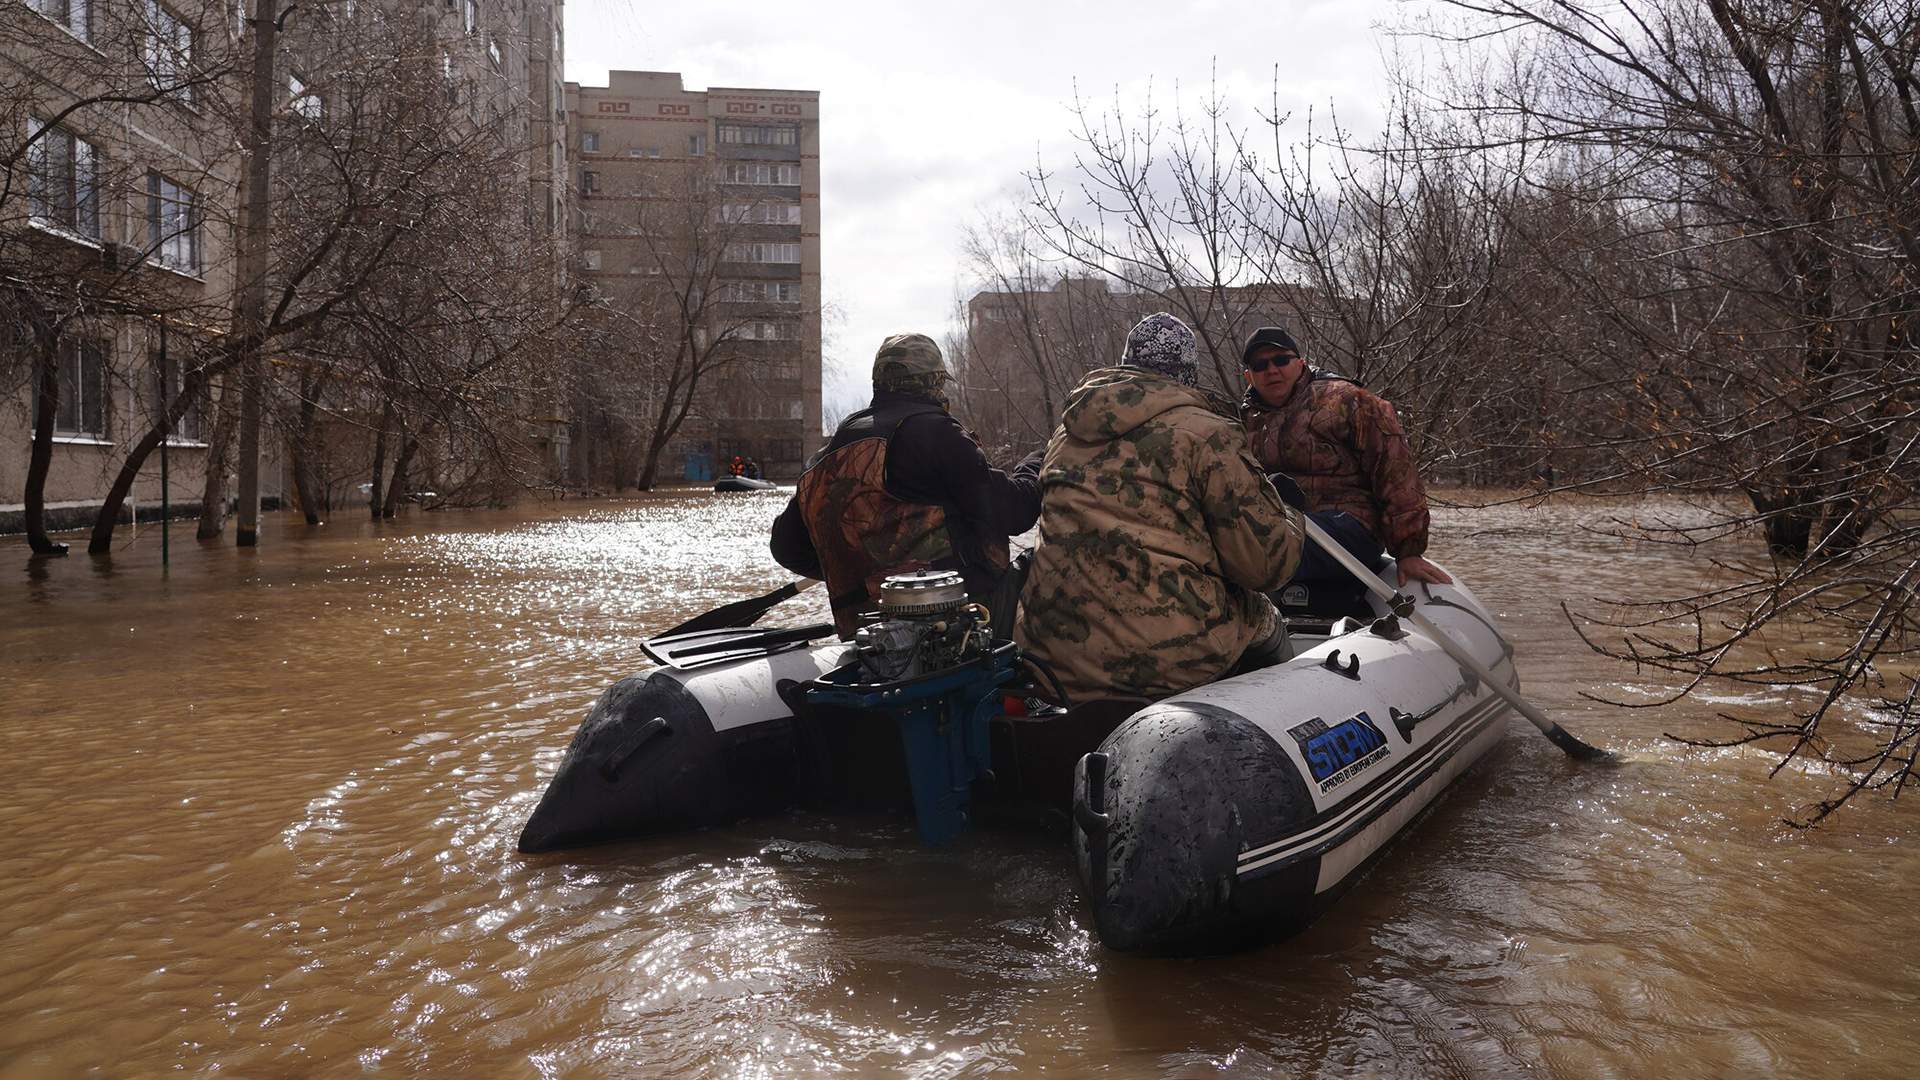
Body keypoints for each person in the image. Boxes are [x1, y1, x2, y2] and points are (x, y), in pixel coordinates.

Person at [1016, 313, 1304, 703]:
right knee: (1262, 616)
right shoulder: (1206, 434)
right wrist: (1290, 514)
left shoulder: (1066, 433)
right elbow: (1263, 567)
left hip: (1052, 660)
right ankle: (1288, 722)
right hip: (1169, 664)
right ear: (1187, 373)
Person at [770, 333, 1042, 637]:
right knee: (1039, 561)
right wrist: (1037, 464)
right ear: (934, 382)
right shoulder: (938, 434)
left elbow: (786, 549)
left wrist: (867, 580)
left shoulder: (826, 456)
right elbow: (1017, 513)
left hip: (864, 633)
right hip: (960, 625)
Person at [1238, 326, 1452, 588]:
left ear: (1300, 363)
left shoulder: (1347, 400)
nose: (1272, 370)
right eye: (1260, 365)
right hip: (1283, 524)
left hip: (1351, 525)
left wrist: (1409, 551)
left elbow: (1395, 470)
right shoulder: (1242, 422)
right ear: (1249, 376)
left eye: (1281, 360)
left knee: (1255, 545)